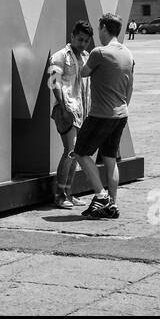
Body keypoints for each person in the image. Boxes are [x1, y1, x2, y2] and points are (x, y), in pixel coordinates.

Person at [75, 12, 136, 220]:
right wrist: (121, 106)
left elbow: (82, 73)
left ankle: (101, 196)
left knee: (81, 152)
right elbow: (130, 87)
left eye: (98, 29)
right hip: (121, 114)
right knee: (110, 159)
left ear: (103, 28)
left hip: (101, 114)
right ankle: (112, 204)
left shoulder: (98, 52)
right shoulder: (128, 53)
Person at [47, 21, 93, 209]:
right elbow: (53, 81)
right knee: (71, 150)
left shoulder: (86, 56)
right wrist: (64, 106)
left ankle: (69, 192)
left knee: (77, 153)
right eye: (80, 39)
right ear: (72, 36)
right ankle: (59, 194)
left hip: (83, 110)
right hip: (67, 110)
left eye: (86, 41)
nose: (83, 44)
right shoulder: (59, 56)